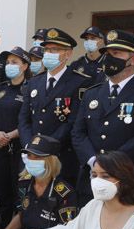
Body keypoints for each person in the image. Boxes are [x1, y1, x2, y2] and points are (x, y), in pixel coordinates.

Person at [71, 30, 134, 204]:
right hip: (91, 179)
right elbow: (78, 132)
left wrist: (111, 164)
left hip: (128, 179)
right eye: (107, 54)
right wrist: (93, 161)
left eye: (116, 53)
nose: (109, 58)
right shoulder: (92, 93)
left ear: (133, 59)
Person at [19, 28, 93, 187]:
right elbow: (24, 119)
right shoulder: (34, 82)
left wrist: (45, 148)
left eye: (55, 50)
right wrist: (29, 147)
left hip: (60, 154)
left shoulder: (79, 82)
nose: (48, 54)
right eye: (46, 49)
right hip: (31, 155)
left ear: (68, 54)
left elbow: (73, 122)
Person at [0, 47, 28, 223]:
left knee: (19, 193)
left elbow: (29, 121)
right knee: (1, 192)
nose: (9, 65)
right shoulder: (1, 88)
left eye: (15, 62)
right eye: (8, 62)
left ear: (25, 66)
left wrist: (9, 136)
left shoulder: (30, 89)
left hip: (19, 149)